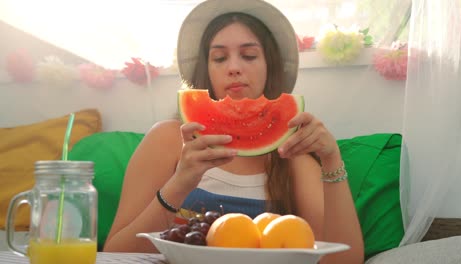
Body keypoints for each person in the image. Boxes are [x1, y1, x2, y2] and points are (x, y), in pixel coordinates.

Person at [103, 0, 364, 263]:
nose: (234, 67)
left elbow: (346, 260)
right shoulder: (168, 140)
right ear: (206, 69)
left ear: (269, 66)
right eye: (219, 58)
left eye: (249, 55)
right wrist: (179, 185)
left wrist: (332, 159)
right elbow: (116, 254)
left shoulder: (291, 153)